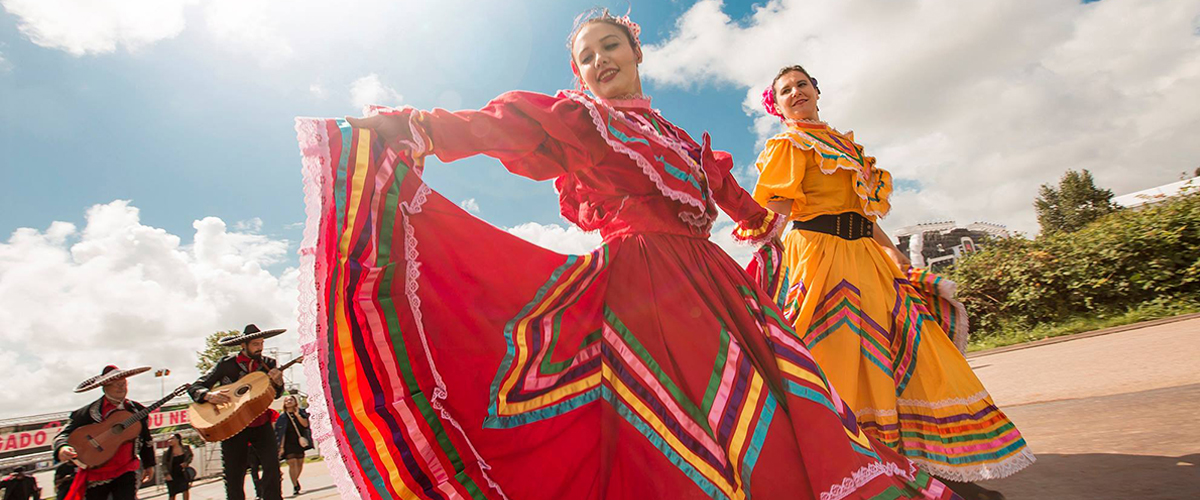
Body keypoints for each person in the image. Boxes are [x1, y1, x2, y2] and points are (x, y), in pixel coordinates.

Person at [298, 8, 958, 499]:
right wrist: (415, 130)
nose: (600, 60)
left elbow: (751, 215)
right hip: (644, 289)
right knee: (705, 416)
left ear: (636, 51)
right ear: (578, 73)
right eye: (587, 56)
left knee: (788, 403)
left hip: (716, 283)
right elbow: (504, 128)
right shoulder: (586, 121)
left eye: (611, 45)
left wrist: (794, 256)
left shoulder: (683, 141)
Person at [749, 64, 1034, 499]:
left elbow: (862, 212)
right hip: (817, 261)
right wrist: (756, 239)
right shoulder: (788, 144)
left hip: (866, 257)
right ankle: (842, 466)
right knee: (830, 357)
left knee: (908, 351)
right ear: (778, 105)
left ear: (817, 90)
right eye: (785, 90)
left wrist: (891, 249)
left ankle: (931, 468)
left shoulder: (845, 145)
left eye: (801, 85)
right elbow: (778, 210)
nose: (795, 93)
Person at [188, 325, 286, 500]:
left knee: (272, 466)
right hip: (232, 426)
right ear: (244, 345)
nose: (260, 347)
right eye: (255, 344)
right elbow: (196, 387)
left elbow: (276, 393)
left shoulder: (269, 364)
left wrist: (278, 382)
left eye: (261, 343)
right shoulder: (226, 364)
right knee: (234, 474)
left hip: (260, 422)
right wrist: (209, 395)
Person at [52, 366, 156, 500]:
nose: (122, 388)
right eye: (117, 385)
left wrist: (149, 463)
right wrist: (62, 447)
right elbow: (63, 435)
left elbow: (146, 438)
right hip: (97, 472)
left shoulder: (137, 410)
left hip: (127, 469)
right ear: (104, 387)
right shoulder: (87, 413)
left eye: (124, 384)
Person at [274, 396, 310, 496]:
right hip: (288, 443)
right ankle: (295, 485)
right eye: (286, 400)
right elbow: (281, 433)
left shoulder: (301, 412)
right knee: (292, 463)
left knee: (299, 463)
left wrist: (297, 415)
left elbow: (305, 425)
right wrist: (281, 447)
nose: (288, 401)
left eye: (291, 400)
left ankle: (296, 479)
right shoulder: (282, 417)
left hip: (299, 441)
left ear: (295, 402)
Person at [161, 433, 193, 500]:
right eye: (169, 439)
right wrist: (166, 474)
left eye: (172, 438)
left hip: (182, 473)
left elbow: (190, 456)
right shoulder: (167, 452)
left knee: (185, 490)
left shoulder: (185, 448)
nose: (170, 440)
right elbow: (163, 464)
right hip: (172, 475)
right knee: (172, 494)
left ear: (178, 439)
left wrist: (186, 463)